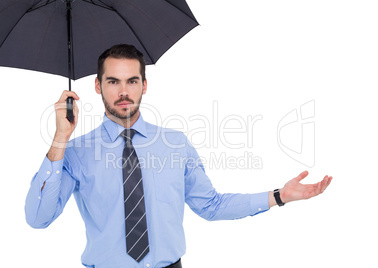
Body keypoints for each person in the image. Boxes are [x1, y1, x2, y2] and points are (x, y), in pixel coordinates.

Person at [25, 44, 332, 268]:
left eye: (132, 81)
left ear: (144, 85)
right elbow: (38, 219)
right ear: (97, 86)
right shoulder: (74, 152)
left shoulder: (175, 144)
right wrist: (60, 139)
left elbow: (211, 205)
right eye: (113, 81)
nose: (123, 92)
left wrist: (279, 195)